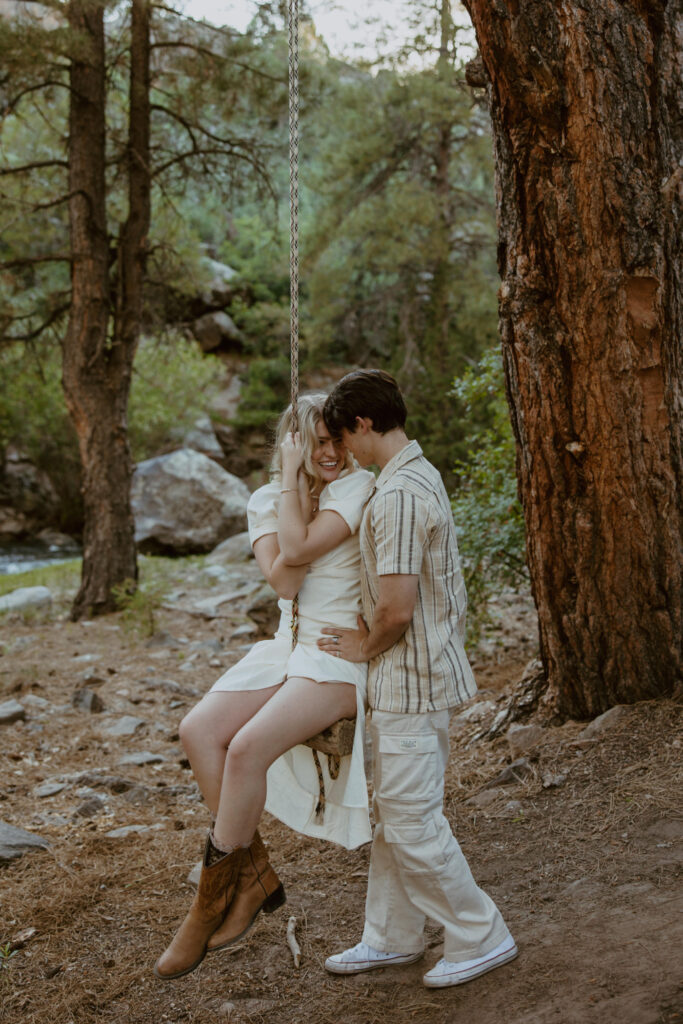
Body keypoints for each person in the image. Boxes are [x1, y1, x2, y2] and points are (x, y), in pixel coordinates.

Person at [154, 393, 376, 981]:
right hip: (289, 646)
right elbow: (282, 583)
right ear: (293, 446)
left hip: (335, 655)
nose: (330, 453)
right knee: (199, 731)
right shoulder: (265, 500)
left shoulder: (356, 488)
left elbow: (297, 551)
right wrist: (287, 488)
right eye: (315, 444)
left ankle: (206, 906)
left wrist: (295, 494)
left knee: (248, 748)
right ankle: (252, 877)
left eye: (335, 440)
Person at [318, 369, 518, 989]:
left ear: (363, 423)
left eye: (343, 437)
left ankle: (481, 935)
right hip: (406, 680)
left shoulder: (401, 494)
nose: (342, 451)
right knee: (393, 817)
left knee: (410, 818)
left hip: (410, 680)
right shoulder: (411, 475)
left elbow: (398, 610)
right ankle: (391, 937)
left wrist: (363, 641)